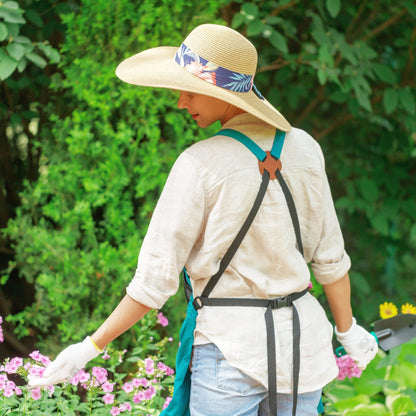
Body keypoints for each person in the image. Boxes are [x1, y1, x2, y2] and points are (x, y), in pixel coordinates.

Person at [28, 24, 378, 415]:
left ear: (222, 94)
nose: (181, 102)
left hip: (230, 352)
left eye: (190, 91)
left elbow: (153, 281)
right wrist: (347, 331)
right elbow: (330, 259)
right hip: (301, 352)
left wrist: (89, 346)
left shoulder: (199, 163)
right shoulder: (306, 150)